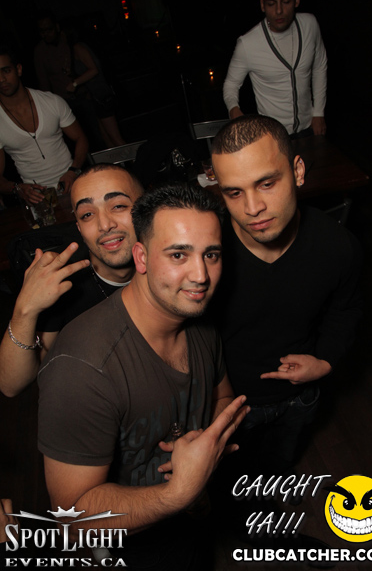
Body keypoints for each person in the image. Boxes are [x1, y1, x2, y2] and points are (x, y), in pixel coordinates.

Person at [38, 183, 249, 570]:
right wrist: (180, 491)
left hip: (193, 521)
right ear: (141, 257)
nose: (201, 275)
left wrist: (205, 449)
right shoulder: (82, 369)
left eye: (211, 254)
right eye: (178, 254)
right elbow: (71, 518)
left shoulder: (197, 318)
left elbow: (223, 398)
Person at [210, 114, 362, 488]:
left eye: (266, 183)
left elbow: (346, 309)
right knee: (235, 482)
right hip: (229, 406)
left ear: (297, 171)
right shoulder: (207, 256)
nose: (252, 208)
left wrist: (325, 360)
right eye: (234, 192)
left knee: (280, 463)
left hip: (300, 398)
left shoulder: (338, 246)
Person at [0, 164, 143, 398]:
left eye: (118, 206)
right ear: (79, 227)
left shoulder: (172, 261)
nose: (104, 224)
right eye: (87, 214)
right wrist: (24, 310)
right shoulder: (64, 284)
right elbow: (10, 384)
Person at [223, 0, 327, 137]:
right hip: (273, 135)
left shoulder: (310, 25)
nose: (279, 10)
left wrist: (319, 112)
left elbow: (320, 65)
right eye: (271, 4)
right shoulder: (248, 44)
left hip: (309, 128)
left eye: (286, 2)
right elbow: (231, 85)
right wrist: (234, 111)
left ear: (296, 0)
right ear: (262, 5)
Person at [0, 45, 88, 205]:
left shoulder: (52, 101)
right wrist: (17, 189)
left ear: (18, 69)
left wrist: (73, 170)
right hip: (38, 199)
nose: (1, 79)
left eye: (6, 71)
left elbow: (81, 138)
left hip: (74, 186)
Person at [34, 12, 104, 151]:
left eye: (49, 29)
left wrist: (78, 84)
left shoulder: (69, 41)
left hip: (85, 96)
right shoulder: (40, 51)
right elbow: (44, 83)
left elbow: (93, 69)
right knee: (77, 141)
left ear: (57, 27)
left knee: (98, 136)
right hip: (64, 103)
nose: (46, 34)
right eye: (42, 31)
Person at [63, 20, 125, 148]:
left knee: (115, 138)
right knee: (106, 137)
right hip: (96, 97)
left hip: (102, 95)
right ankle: (118, 161)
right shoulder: (75, 48)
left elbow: (94, 70)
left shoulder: (78, 47)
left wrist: (74, 84)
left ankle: (137, 160)